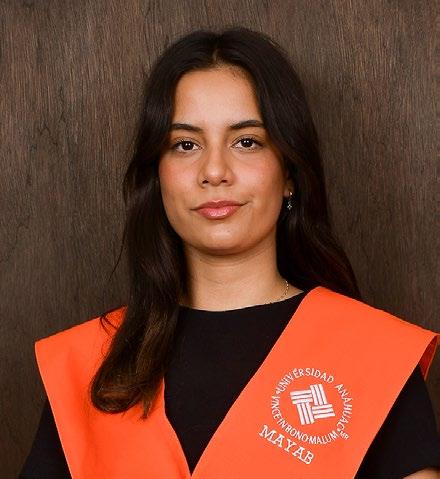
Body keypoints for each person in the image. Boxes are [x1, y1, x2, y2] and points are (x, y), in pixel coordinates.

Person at [20, 27, 439, 478]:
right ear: (157, 175)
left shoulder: (372, 357)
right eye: (185, 145)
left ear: (289, 173)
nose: (215, 171)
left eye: (246, 141)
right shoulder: (92, 366)